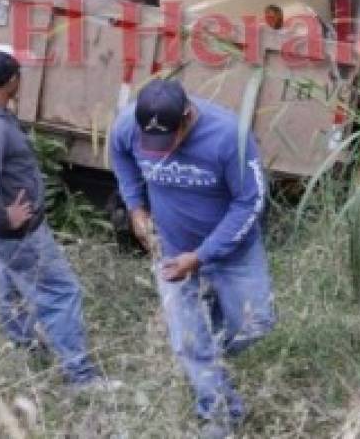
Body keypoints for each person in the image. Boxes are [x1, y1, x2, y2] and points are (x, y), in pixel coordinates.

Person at [109, 79, 274, 438]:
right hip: (170, 252)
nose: (160, 151)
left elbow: (251, 202)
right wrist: (136, 207)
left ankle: (206, 358)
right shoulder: (128, 125)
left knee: (256, 325)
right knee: (189, 343)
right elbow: (119, 154)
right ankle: (219, 415)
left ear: (186, 117)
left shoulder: (230, 136)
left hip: (233, 253)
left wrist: (202, 256)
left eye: (168, 140)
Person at [0, 46, 112, 389]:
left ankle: (24, 348)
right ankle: (80, 377)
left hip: (3, 233)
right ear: (11, 81)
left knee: (11, 286)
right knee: (62, 292)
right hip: (18, 232)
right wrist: (6, 214)